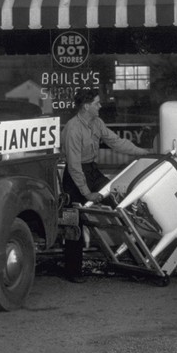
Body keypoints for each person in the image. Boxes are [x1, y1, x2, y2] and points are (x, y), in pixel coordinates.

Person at [61, 88, 151, 282]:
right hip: (75, 176)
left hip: (92, 171)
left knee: (119, 203)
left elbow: (116, 142)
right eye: (96, 103)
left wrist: (141, 152)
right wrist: (86, 193)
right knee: (73, 223)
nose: (100, 105)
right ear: (86, 107)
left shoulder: (97, 123)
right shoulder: (72, 128)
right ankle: (72, 272)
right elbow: (75, 166)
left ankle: (137, 258)